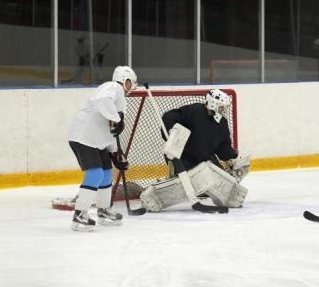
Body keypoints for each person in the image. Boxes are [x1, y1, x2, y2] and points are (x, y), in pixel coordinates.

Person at [138, 88, 251, 212]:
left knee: (217, 176)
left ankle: (220, 194)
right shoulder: (194, 111)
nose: (223, 110)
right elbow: (169, 116)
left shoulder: (222, 123)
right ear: (213, 104)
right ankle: (159, 192)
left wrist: (231, 157)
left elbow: (223, 146)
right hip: (183, 156)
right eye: (221, 107)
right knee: (198, 177)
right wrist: (172, 129)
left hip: (206, 159)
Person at [66, 65, 137, 231]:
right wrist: (117, 119)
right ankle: (80, 215)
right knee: (96, 173)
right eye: (131, 83)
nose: (133, 87)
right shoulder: (113, 87)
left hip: (96, 141)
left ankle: (104, 210)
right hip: (83, 138)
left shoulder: (118, 99)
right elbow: (102, 101)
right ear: (125, 80)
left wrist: (115, 153)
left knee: (106, 172)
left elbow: (110, 130)